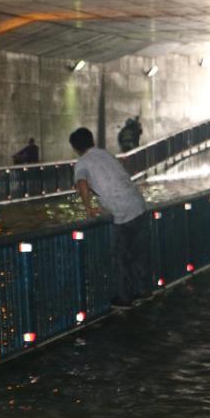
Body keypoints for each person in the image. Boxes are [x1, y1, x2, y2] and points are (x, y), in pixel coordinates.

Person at [69, 127, 149, 308]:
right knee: (138, 254)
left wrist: (89, 207)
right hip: (139, 204)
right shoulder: (105, 154)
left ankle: (124, 298)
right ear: (92, 141)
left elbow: (82, 182)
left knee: (119, 257)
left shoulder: (82, 163)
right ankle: (143, 291)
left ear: (75, 148)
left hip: (123, 212)